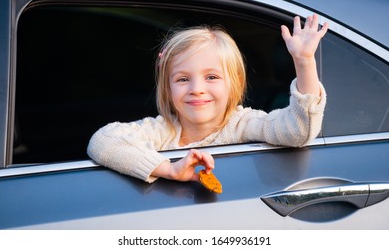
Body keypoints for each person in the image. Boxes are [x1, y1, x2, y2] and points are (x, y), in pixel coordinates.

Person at [87, 14, 329, 184]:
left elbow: (298, 131)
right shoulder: (160, 130)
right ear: (167, 89)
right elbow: (103, 141)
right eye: (182, 79)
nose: (196, 89)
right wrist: (169, 169)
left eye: (211, 77)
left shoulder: (243, 123)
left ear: (232, 84)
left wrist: (304, 62)